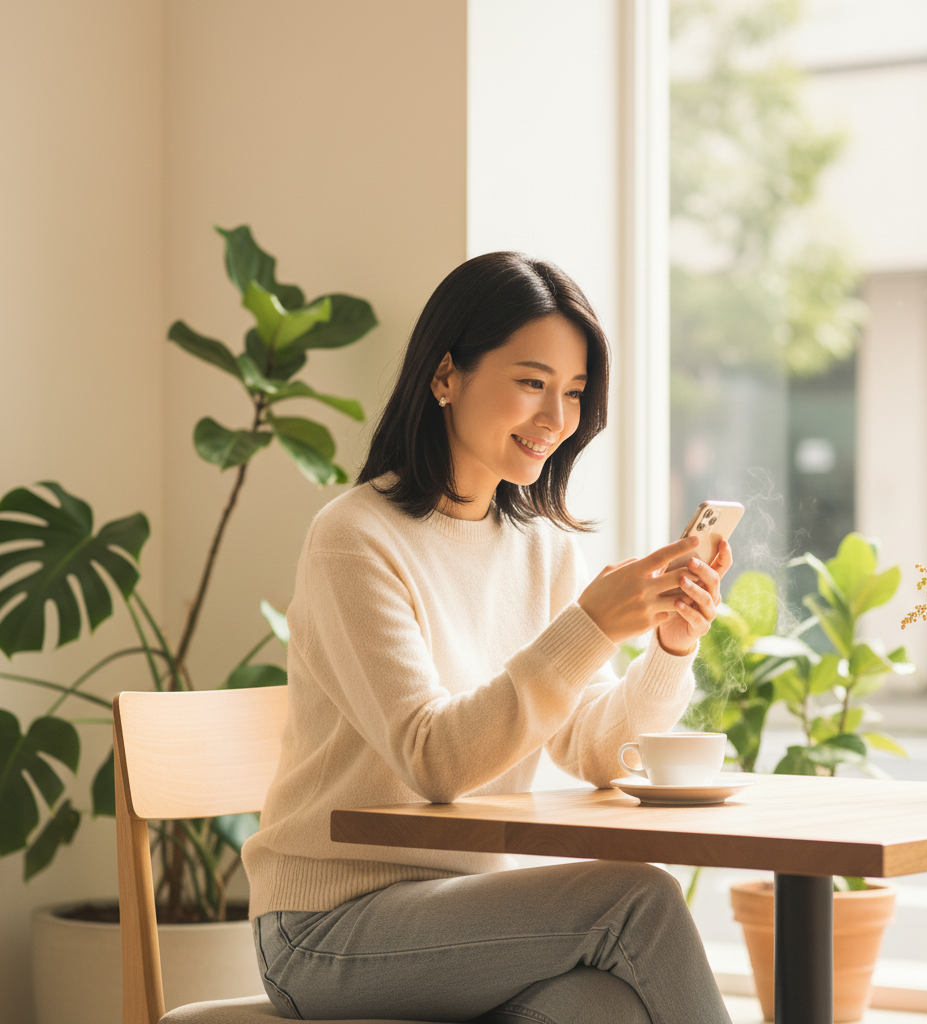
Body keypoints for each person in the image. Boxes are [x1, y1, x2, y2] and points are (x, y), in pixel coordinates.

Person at [241, 252, 734, 1024]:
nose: (556, 419)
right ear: (446, 376)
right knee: (638, 899)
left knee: (605, 1006)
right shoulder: (354, 540)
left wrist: (668, 647)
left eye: (573, 393)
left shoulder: (543, 550)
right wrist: (591, 624)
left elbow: (601, 752)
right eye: (532, 382)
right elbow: (435, 760)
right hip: (327, 928)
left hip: (464, 919)